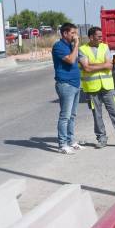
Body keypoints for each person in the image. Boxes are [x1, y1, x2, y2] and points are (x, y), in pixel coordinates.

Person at [78, 27, 115, 148]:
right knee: (97, 115)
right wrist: (102, 65)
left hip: (107, 87)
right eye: (99, 36)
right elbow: (86, 68)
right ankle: (101, 138)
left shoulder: (105, 47)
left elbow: (109, 66)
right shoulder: (82, 49)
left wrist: (93, 65)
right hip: (92, 88)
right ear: (91, 37)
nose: (101, 38)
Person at [51, 23, 84, 155]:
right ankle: (62, 144)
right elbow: (70, 60)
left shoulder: (70, 46)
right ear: (65, 33)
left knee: (72, 115)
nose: (75, 36)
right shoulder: (59, 46)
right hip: (65, 84)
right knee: (65, 116)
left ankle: (71, 141)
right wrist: (76, 45)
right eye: (72, 33)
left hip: (75, 84)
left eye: (75, 33)